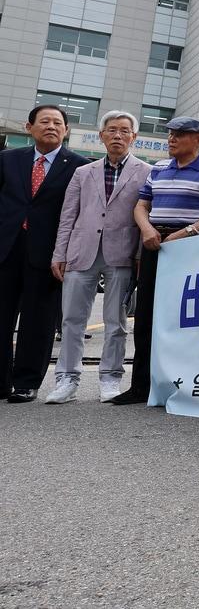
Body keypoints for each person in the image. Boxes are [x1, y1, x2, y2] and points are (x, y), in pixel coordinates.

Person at [113, 117, 199, 405]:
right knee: (146, 316)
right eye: (171, 134)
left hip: (190, 248)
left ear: (198, 140)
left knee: (184, 318)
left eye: (180, 135)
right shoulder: (160, 168)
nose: (172, 139)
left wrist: (188, 232)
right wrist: (147, 228)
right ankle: (140, 385)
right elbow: (142, 205)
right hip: (155, 245)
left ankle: (183, 385)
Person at [47, 111, 151, 404]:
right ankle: (66, 380)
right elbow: (68, 216)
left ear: (134, 137)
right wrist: (60, 253)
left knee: (116, 322)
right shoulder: (83, 172)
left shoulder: (146, 171)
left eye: (124, 131)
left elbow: (147, 213)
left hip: (122, 253)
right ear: (102, 135)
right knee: (72, 320)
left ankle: (110, 378)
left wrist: (141, 256)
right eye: (112, 130)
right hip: (82, 251)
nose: (117, 135)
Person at [0, 104, 90, 403]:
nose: (51, 126)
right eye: (44, 121)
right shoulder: (9, 159)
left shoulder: (79, 165)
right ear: (29, 128)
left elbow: (80, 213)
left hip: (50, 251)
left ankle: (26, 382)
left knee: (38, 320)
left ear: (66, 130)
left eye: (57, 123)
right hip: (7, 247)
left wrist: (68, 252)